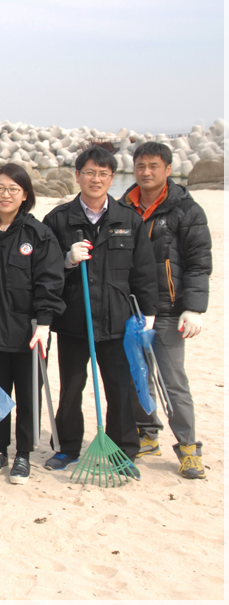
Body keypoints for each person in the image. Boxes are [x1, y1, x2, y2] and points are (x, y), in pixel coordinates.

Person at [41, 146, 158, 478]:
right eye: (89, 172)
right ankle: (66, 448)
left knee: (119, 389)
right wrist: (66, 259)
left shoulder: (128, 219)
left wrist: (148, 314)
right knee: (71, 388)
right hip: (74, 321)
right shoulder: (59, 219)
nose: (96, 179)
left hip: (117, 322)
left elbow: (144, 272)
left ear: (112, 178)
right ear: (77, 175)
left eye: (103, 174)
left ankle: (124, 452)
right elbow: (45, 271)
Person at [0, 164, 65, 485]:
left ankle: (23, 454)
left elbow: (50, 281)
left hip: (28, 331)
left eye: (13, 189)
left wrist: (45, 323)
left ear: (25, 195)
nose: (5, 195)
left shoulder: (38, 234)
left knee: (27, 394)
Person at [120, 142, 211, 479]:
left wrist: (194, 309)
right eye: (141, 166)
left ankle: (188, 448)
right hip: (132, 309)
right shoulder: (123, 207)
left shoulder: (186, 210)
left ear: (168, 169)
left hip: (171, 309)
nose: (146, 172)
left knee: (172, 380)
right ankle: (147, 434)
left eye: (153, 166)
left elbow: (200, 263)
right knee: (134, 376)